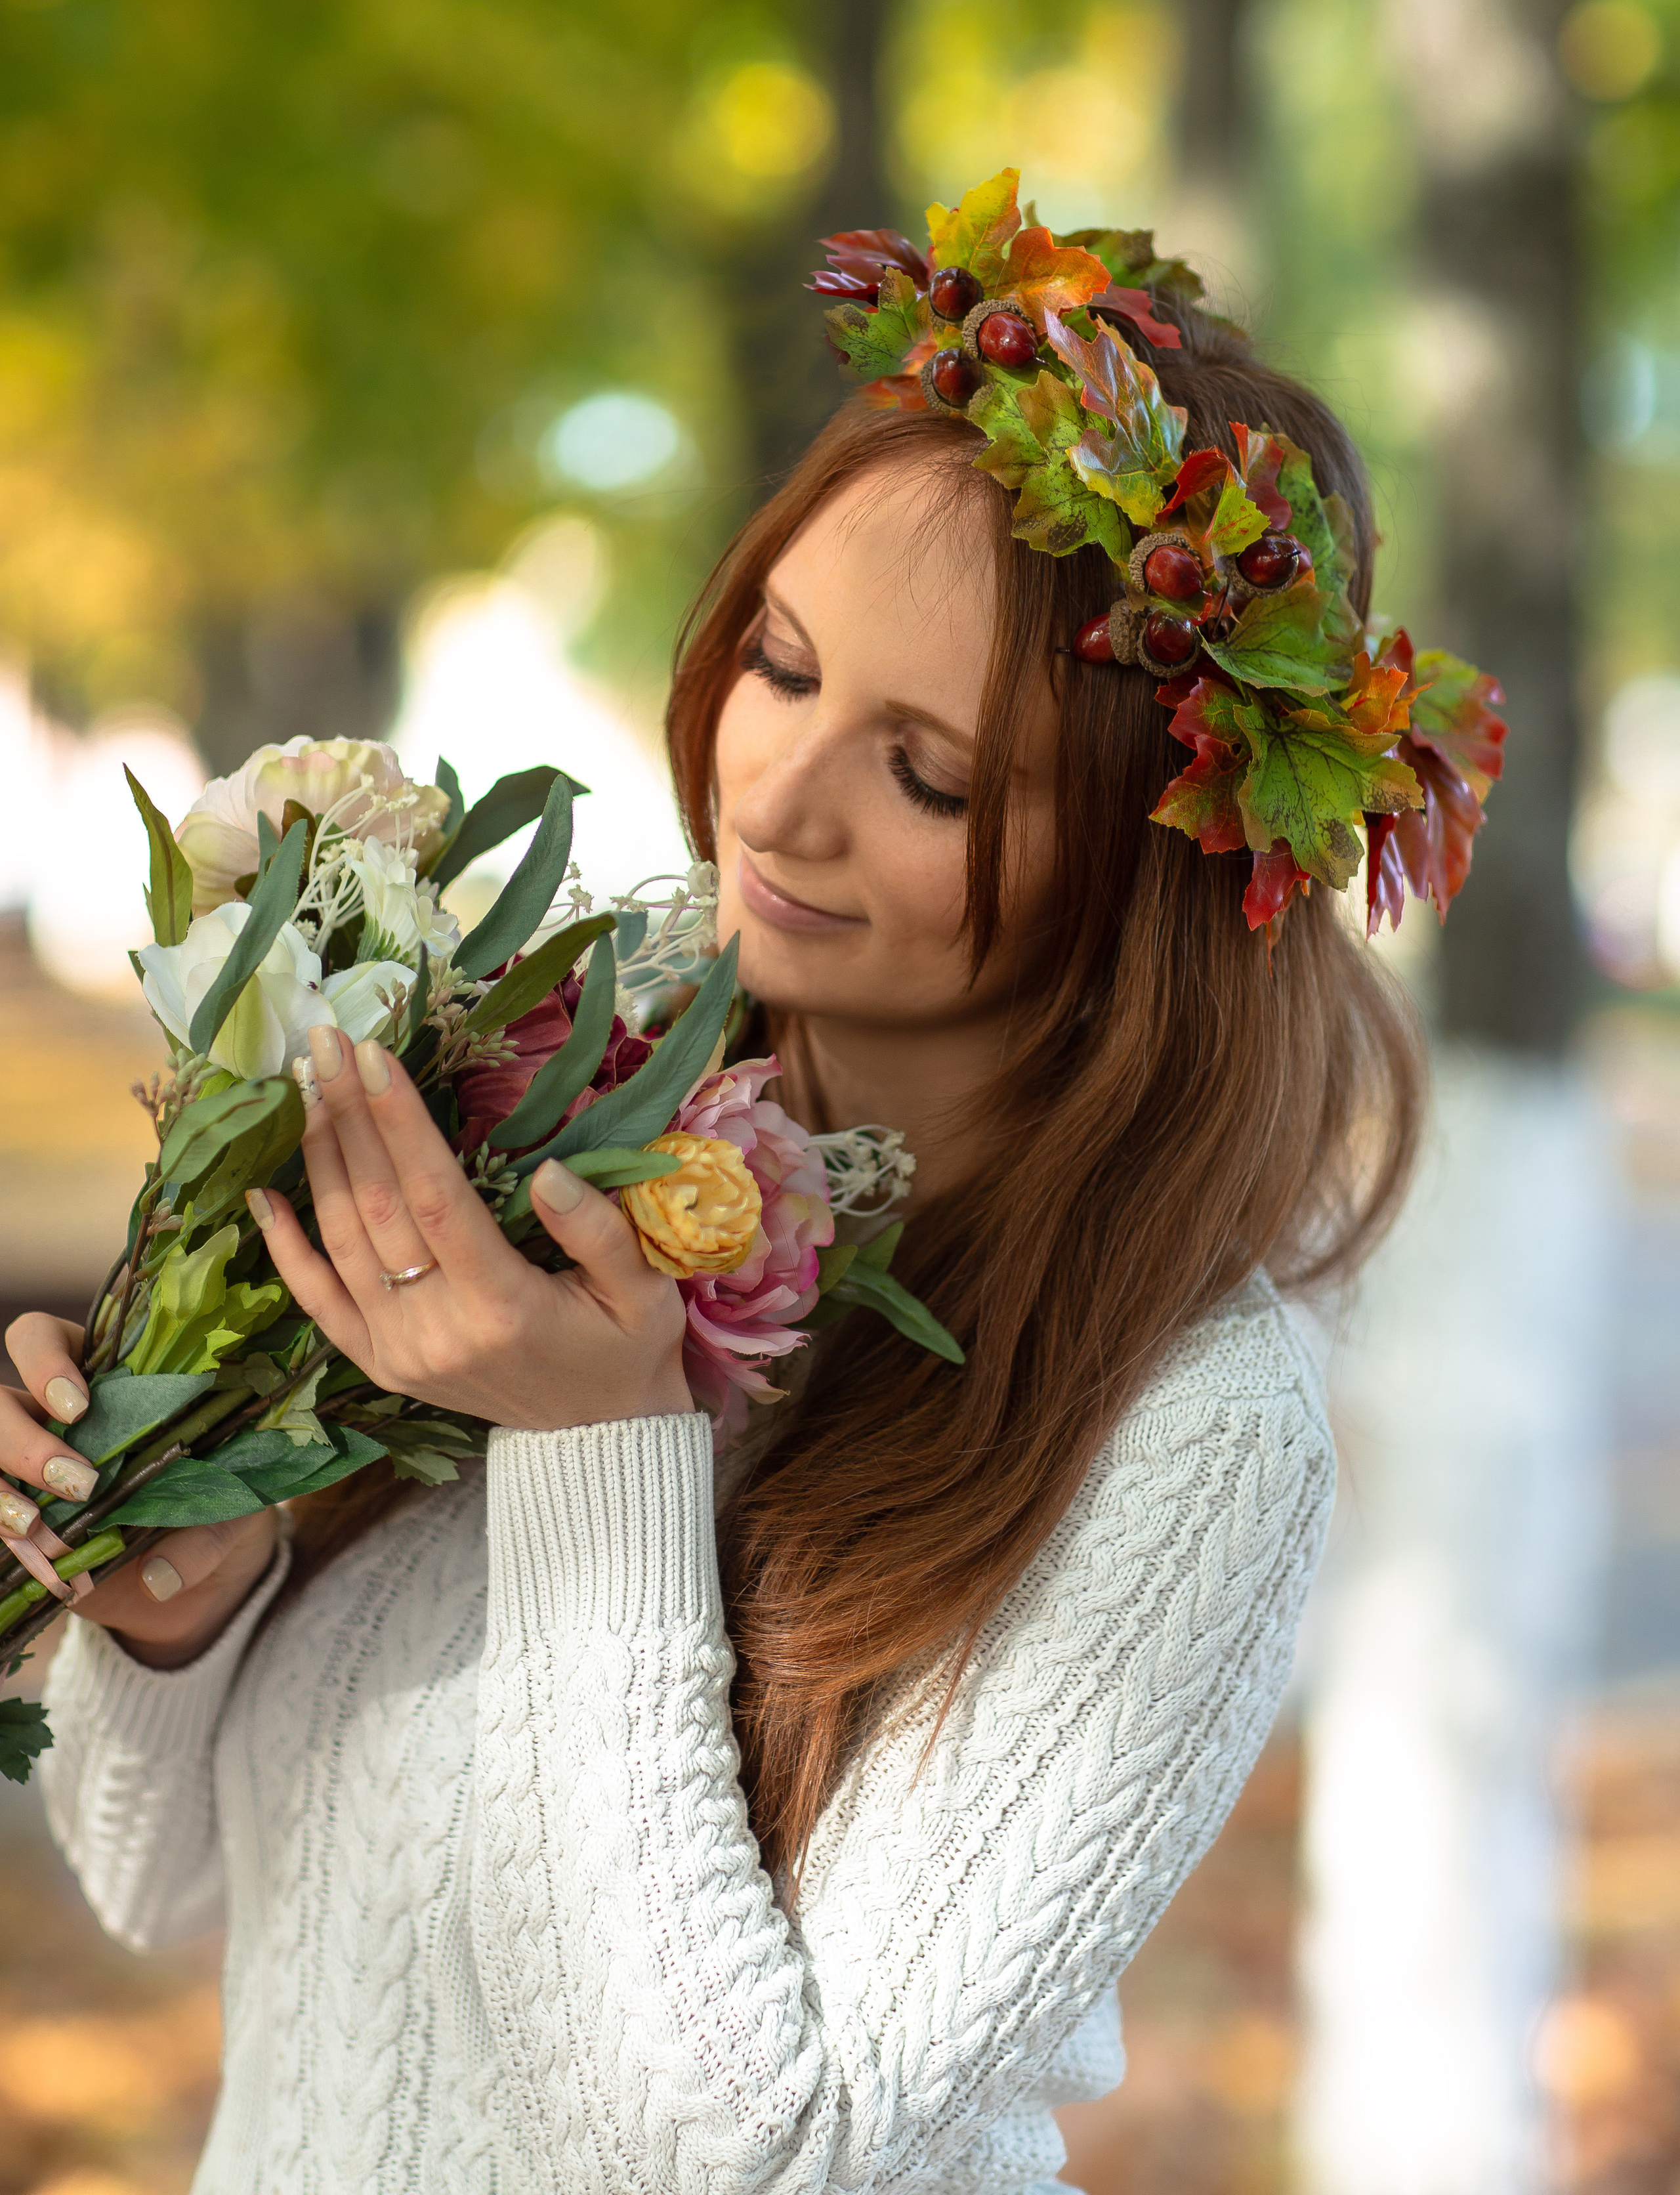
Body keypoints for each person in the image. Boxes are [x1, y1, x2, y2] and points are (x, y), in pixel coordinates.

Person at [5, 192, 1457, 2194]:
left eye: (930, 777)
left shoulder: (1188, 1433)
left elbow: (761, 2157)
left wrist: (600, 1457)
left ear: (1150, 863)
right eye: (779, 664)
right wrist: (182, 1592)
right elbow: (156, 1879)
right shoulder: (542, 1087)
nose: (773, 796)